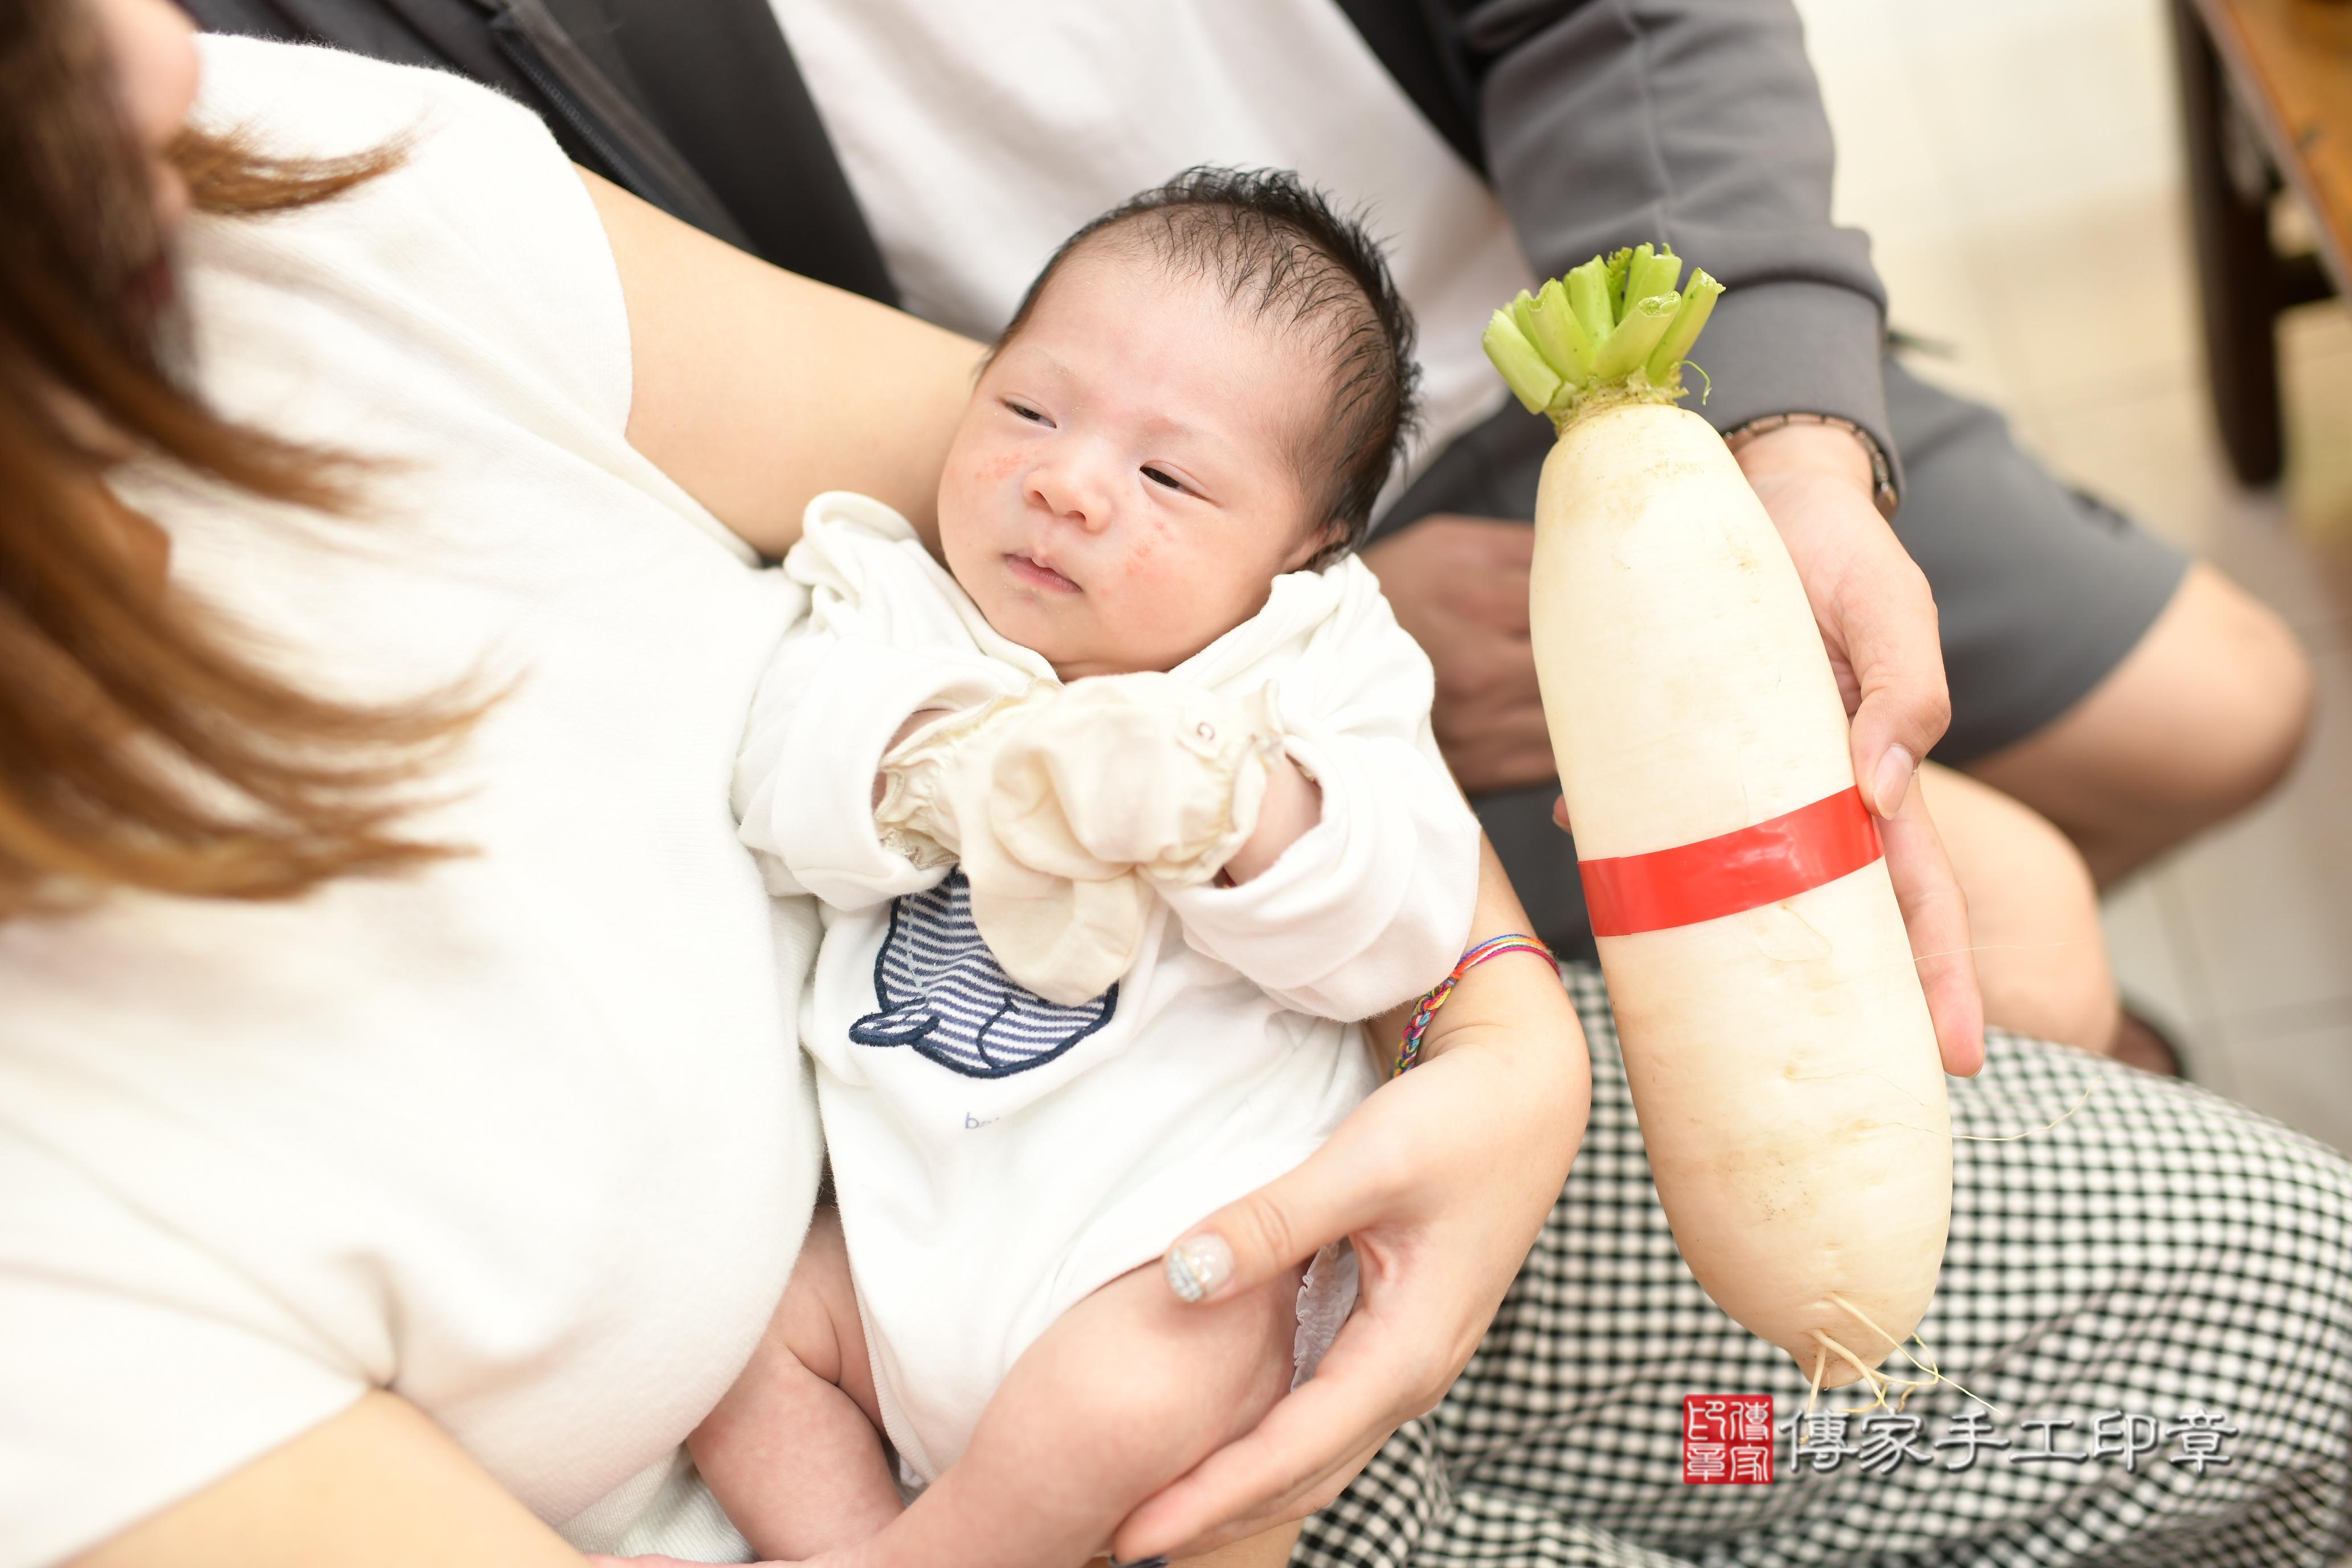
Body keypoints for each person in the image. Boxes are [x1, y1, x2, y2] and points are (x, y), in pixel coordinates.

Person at [5, 9, 2347, 1568]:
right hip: (956, 1395)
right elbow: (855, 709)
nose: (1055, 490)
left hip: (1306, 1180)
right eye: (1033, 426)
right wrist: (971, 760)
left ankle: (1805, 1452)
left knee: (2239, 1303)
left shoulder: (285, 181)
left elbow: (1236, 686)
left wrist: (1487, 1013)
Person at [172, 0, 2314, 1070]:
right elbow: (557, 389)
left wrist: (1769, 445)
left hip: (1589, 358)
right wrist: (1272, 615)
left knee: (2225, 712)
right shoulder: (273, 65)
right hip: (1119, 575)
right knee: (2011, 946)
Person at [705, 170, 1484, 1567]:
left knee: (1131, 1391)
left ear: (1305, 548)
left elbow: (1404, 929)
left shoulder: (1321, 665)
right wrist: (942, 763)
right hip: (882, 1263)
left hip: (1155, 1270)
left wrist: (1230, 806)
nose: (1064, 481)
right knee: (722, 1344)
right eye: (1028, 411)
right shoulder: (890, 592)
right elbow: (780, 780)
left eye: (1168, 475)